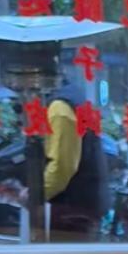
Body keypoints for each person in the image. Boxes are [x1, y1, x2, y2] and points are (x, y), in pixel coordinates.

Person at [44, 81, 109, 241]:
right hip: (86, 202)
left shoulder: (60, 109)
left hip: (71, 209)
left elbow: (61, 168)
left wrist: (36, 195)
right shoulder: (72, 97)